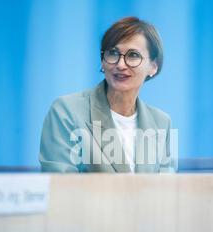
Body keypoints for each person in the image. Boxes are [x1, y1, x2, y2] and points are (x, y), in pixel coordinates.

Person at [39, 17, 174, 173]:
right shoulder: (66, 111)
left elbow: (166, 191)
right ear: (103, 61)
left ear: (153, 66)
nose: (120, 65)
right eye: (113, 53)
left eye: (133, 55)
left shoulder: (161, 122)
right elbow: (60, 187)